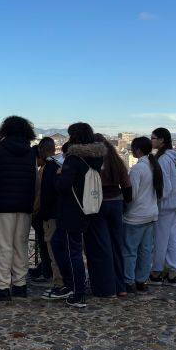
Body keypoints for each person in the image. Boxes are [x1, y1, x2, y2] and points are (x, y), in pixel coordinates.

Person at [0, 116, 39, 301]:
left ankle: (2, 285)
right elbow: (35, 181)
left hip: (3, 204)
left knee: (3, 245)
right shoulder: (32, 153)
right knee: (20, 244)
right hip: (24, 204)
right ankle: (20, 284)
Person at [51, 123, 106, 308]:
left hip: (71, 211)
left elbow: (63, 186)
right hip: (87, 208)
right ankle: (71, 284)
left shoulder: (73, 158)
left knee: (72, 250)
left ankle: (78, 292)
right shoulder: (96, 157)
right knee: (58, 243)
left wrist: (58, 175)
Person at [94, 134, 132, 297]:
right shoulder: (117, 161)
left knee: (103, 246)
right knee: (117, 245)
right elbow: (127, 186)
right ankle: (121, 286)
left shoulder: (94, 161)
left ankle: (107, 287)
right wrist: (125, 204)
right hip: (116, 203)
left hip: (99, 204)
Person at [123, 136, 162, 293]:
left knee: (130, 250)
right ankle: (142, 280)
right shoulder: (154, 166)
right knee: (146, 250)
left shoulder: (137, 169)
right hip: (151, 214)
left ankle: (129, 280)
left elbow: (131, 195)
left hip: (136, 216)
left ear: (137, 150)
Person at [149, 127, 176, 287]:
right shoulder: (172, 157)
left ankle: (156, 272)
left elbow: (165, 186)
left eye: (154, 138)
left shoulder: (163, 160)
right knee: (172, 238)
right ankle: (173, 273)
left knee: (160, 239)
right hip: (174, 203)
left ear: (162, 140)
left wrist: (157, 199)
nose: (152, 140)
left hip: (164, 205)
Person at [35, 138, 65, 297]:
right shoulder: (61, 164)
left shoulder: (48, 168)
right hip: (62, 214)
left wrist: (42, 214)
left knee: (53, 251)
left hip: (50, 216)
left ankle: (59, 284)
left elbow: (45, 194)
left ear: (41, 150)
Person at [28, 138, 57, 285]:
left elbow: (40, 195)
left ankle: (46, 272)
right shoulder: (55, 166)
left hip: (42, 214)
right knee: (47, 245)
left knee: (44, 244)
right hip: (51, 213)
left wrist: (33, 211)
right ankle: (45, 270)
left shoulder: (44, 169)